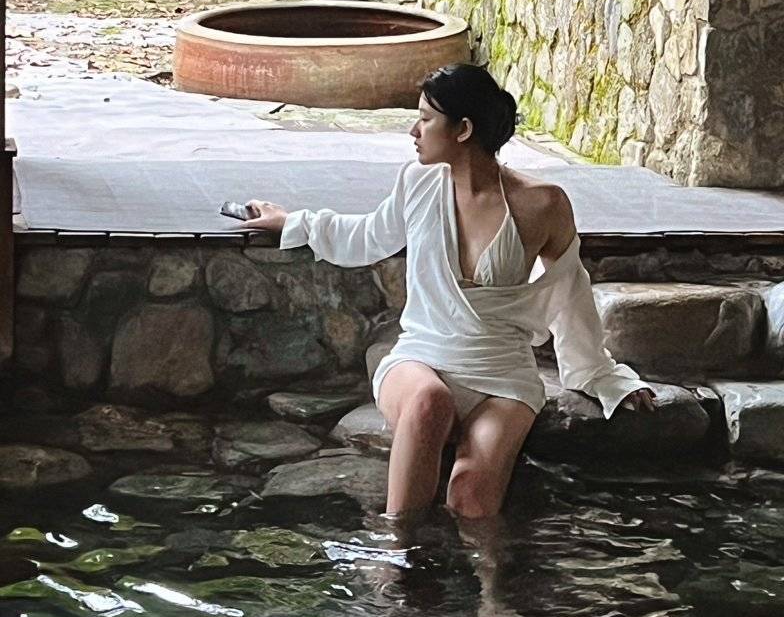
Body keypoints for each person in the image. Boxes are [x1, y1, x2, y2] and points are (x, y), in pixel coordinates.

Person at [243, 63, 656, 521]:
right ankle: (396, 553)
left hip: (501, 373)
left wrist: (600, 374)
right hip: (423, 356)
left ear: (463, 130)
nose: (413, 131)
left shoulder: (543, 204)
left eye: (425, 118)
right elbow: (367, 236)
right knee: (429, 403)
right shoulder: (417, 182)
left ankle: (489, 570)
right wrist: (293, 223)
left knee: (470, 497)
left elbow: (570, 290)